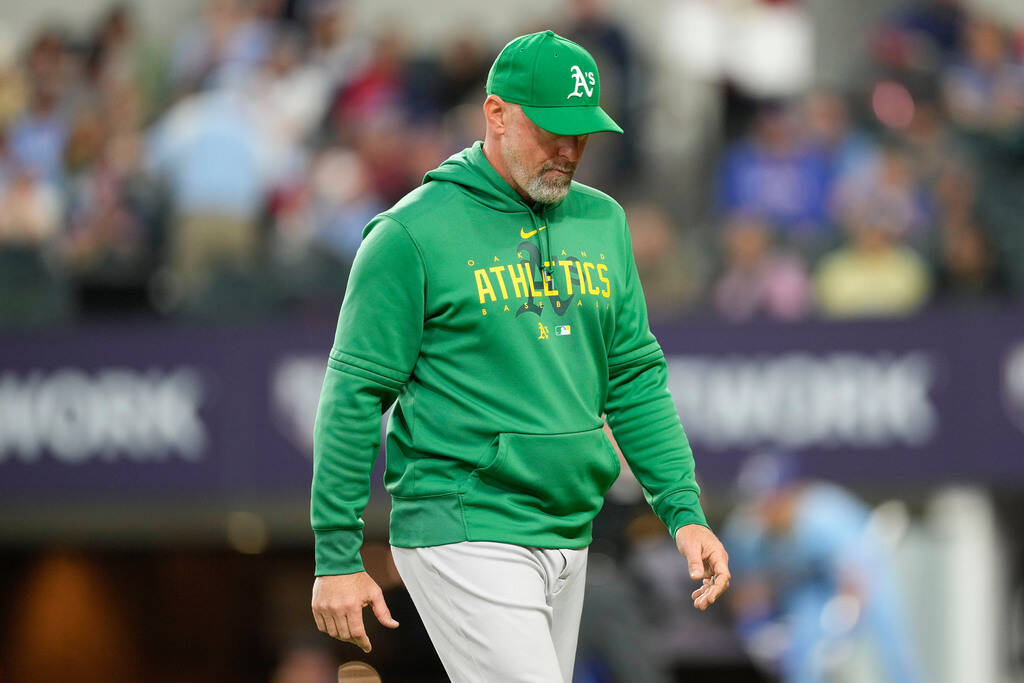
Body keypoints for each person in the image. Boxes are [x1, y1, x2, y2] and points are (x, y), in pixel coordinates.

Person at [309, 30, 729, 682]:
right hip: (464, 520)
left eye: (582, 131)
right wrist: (337, 554)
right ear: (497, 113)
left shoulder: (604, 221)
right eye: (552, 128)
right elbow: (355, 393)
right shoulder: (411, 233)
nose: (569, 148)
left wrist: (684, 511)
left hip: (568, 529)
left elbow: (635, 378)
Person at [722, 452, 923, 683]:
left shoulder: (823, 517)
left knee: (889, 638)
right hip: (807, 583)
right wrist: (757, 632)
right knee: (803, 646)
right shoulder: (745, 532)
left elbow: (856, 576)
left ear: (792, 493)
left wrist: (843, 621)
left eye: (771, 500)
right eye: (757, 501)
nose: (764, 509)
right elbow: (748, 589)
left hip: (862, 572)